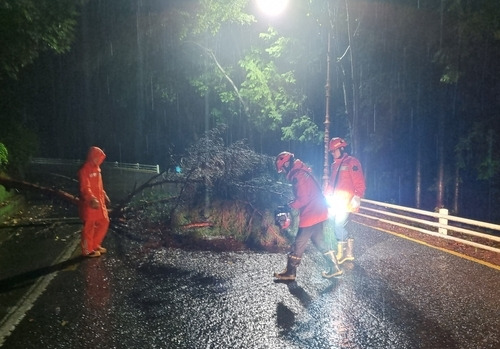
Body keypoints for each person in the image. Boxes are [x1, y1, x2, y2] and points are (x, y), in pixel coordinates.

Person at [274, 151, 343, 280]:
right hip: (319, 211)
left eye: (283, 168)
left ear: (287, 163)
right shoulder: (302, 171)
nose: (283, 172)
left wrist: (289, 206)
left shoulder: (298, 176)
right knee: (319, 240)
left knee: (299, 242)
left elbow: (303, 199)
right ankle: (335, 268)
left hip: (311, 213)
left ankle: (290, 272)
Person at [325, 137, 366, 264]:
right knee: (336, 226)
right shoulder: (334, 165)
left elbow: (360, 182)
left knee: (338, 225)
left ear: (341, 149)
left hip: (346, 202)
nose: (332, 153)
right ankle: (349, 253)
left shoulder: (351, 162)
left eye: (334, 151)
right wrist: (326, 194)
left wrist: (357, 196)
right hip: (336, 201)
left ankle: (341, 254)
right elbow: (332, 183)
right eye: (331, 152)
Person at [78, 146, 110, 258]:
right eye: (97, 157)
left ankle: (95, 244)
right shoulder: (84, 170)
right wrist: (92, 199)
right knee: (89, 228)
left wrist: (104, 194)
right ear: (92, 157)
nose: (99, 160)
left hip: (99, 203)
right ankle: (87, 250)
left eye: (100, 158)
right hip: (90, 204)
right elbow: (85, 188)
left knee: (104, 222)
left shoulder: (97, 169)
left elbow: (98, 186)